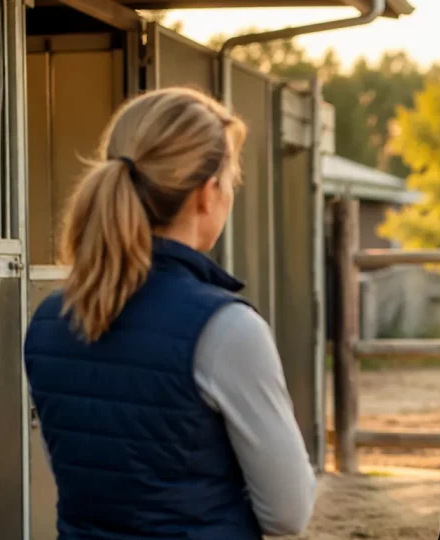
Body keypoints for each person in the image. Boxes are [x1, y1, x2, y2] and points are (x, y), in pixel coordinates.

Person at [23, 87, 316, 539]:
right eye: (231, 181)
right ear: (206, 194)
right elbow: (289, 512)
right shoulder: (227, 330)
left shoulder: (48, 320)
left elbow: (83, 474)